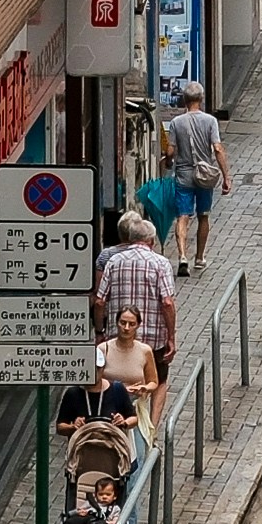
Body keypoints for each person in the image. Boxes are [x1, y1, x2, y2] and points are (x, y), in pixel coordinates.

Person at [94, 211, 178, 381]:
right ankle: (153, 400)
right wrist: (171, 337)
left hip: (119, 335)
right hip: (153, 338)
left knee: (117, 380)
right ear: (151, 241)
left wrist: (99, 331)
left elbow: (100, 302)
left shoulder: (113, 261)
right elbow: (167, 303)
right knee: (158, 381)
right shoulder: (161, 263)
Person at [153, 87, 230, 264]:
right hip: (204, 175)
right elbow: (218, 149)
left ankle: (182, 256)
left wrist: (169, 162)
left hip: (183, 176)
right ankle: (200, 257)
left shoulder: (176, 122)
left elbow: (170, 151)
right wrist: (226, 176)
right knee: (203, 215)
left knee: (182, 216)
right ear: (201, 99)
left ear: (184, 100)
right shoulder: (210, 121)